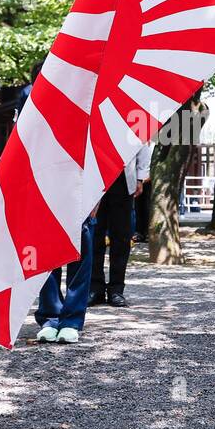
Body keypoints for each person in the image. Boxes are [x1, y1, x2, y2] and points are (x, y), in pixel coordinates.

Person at [89, 141, 152, 307]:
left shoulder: (129, 116)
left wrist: (140, 177)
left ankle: (116, 289)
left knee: (121, 237)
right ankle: (95, 288)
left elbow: (142, 142)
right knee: (95, 236)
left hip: (124, 178)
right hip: (96, 177)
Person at [35, 214, 96, 344]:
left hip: (80, 197)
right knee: (46, 248)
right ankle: (50, 315)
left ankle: (72, 319)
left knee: (81, 244)